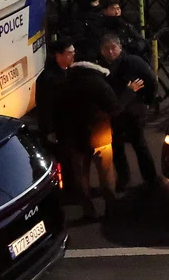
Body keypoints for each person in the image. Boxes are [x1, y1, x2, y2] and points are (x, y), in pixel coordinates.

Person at [58, 59, 144, 219]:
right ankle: (111, 208)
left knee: (81, 177)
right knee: (106, 175)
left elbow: (59, 113)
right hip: (100, 137)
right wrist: (129, 91)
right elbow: (115, 108)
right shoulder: (99, 84)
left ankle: (88, 211)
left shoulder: (65, 84)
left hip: (75, 139)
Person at [100, 34, 159, 193]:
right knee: (117, 147)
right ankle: (124, 178)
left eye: (114, 48)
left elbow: (151, 81)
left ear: (120, 47)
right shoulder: (102, 67)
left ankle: (150, 179)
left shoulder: (132, 62)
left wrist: (147, 102)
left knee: (139, 145)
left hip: (133, 112)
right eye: (107, 49)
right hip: (116, 114)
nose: (111, 52)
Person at [36, 39, 76, 192]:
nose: (73, 55)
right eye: (69, 53)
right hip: (59, 129)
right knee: (64, 161)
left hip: (67, 127)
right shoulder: (49, 79)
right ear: (58, 56)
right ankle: (67, 191)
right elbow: (46, 108)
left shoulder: (67, 72)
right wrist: (50, 131)